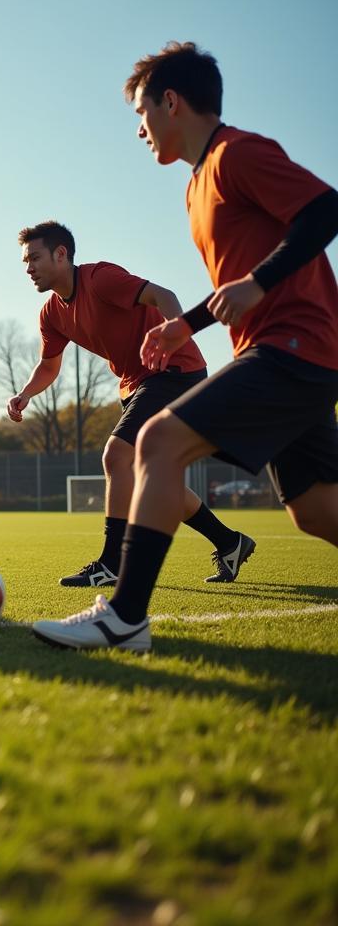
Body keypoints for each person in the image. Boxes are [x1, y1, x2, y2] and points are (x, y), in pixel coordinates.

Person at [34, 41, 338, 652]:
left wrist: (259, 282)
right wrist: (186, 324)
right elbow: (235, 290)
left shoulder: (237, 153)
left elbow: (325, 208)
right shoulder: (197, 187)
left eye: (140, 113)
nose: (140, 130)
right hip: (285, 351)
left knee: (158, 441)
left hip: (297, 345)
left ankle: (125, 616)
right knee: (312, 507)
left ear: (170, 102)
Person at [8, 221, 249, 588]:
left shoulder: (101, 278)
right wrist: (26, 393)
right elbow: (49, 365)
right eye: (25, 261)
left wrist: (176, 332)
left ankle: (112, 563)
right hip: (136, 386)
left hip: (173, 371)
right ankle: (229, 543)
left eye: (34, 258)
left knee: (115, 456)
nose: (28, 268)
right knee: (145, 480)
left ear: (61, 254)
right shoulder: (51, 314)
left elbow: (163, 294)